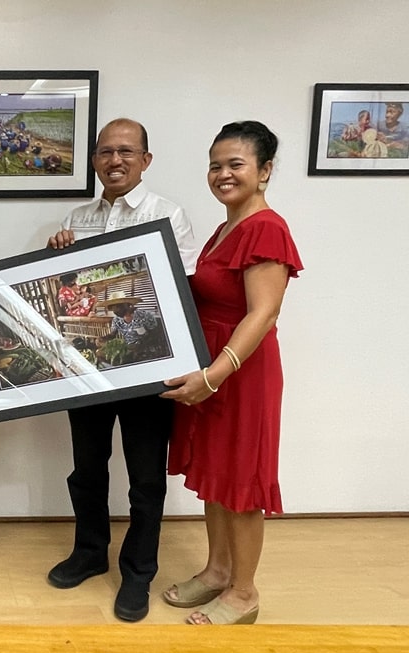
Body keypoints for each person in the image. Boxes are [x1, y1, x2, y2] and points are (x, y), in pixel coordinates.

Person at [46, 118, 197, 622]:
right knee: (86, 469)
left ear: (145, 160)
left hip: (148, 370)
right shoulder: (78, 216)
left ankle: (138, 573)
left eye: (127, 152)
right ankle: (89, 553)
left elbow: (182, 290)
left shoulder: (167, 215)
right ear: (94, 160)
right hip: (86, 368)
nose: (116, 161)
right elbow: (71, 294)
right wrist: (56, 261)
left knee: (145, 477)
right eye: (106, 152)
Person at [160, 121, 302, 625]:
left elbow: (263, 314)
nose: (222, 174)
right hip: (213, 366)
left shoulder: (267, 227)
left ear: (263, 172)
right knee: (216, 477)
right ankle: (218, 570)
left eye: (235, 164)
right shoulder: (225, 228)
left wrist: (215, 375)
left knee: (241, 482)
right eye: (215, 165)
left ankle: (244, 593)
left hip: (240, 371)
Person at [93, 292, 165, 364]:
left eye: (118, 306)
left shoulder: (144, 315)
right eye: (113, 307)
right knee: (100, 353)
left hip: (146, 349)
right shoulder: (116, 319)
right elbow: (113, 335)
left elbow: (156, 333)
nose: (115, 310)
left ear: (127, 305)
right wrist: (102, 338)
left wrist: (142, 345)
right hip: (128, 349)